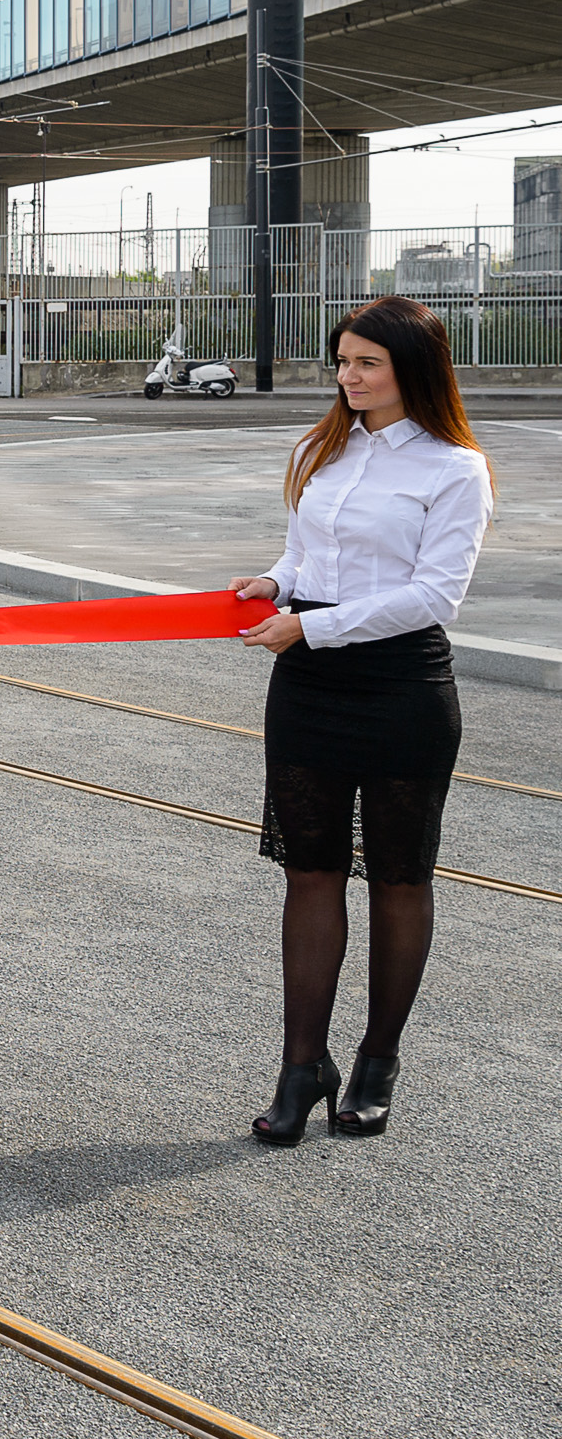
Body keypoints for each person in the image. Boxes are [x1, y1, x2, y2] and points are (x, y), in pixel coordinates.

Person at [230, 295, 493, 1146]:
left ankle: (378, 1060)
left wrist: (315, 624)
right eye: (342, 361)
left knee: (398, 877)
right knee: (309, 871)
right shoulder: (320, 446)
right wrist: (276, 583)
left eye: (366, 363)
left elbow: (432, 596)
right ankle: (302, 1066)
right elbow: (308, 553)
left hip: (399, 687)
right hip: (307, 685)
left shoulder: (455, 467)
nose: (348, 377)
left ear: (411, 367)